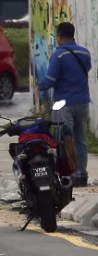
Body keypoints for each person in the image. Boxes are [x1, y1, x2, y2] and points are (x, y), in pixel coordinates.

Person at [38, 22, 92, 187]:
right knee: (80, 139)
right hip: (82, 102)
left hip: (64, 104)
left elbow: (51, 79)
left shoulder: (59, 55)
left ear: (60, 36)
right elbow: (86, 70)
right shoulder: (85, 52)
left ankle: (67, 173)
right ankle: (81, 173)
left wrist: (42, 86)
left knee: (63, 139)